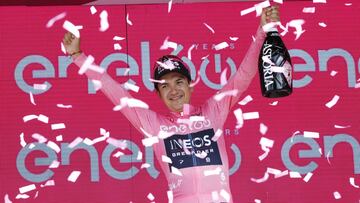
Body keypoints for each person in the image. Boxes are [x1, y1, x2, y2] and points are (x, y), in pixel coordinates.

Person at [63, 6, 280, 203]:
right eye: (165, 86)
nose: (174, 90)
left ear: (190, 86)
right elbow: (117, 94)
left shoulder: (213, 111)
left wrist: (262, 31)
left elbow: (243, 75)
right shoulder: (154, 125)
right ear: (158, 95)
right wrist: (78, 56)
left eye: (179, 82)